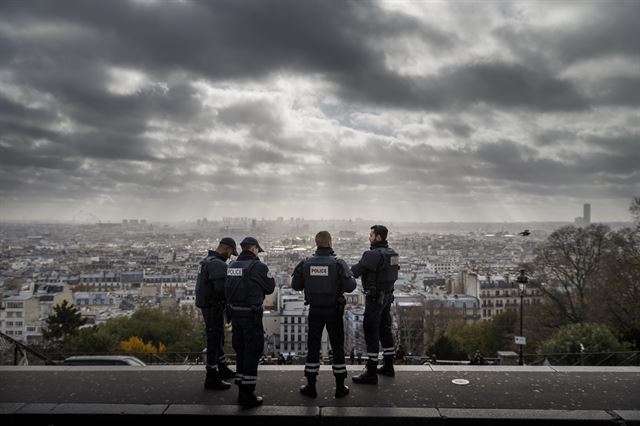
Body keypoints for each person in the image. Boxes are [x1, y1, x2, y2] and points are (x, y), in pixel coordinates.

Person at [292, 231, 357, 399]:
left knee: (313, 347)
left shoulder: (306, 263)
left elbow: (295, 285)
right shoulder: (338, 263)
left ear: (316, 243)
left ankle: (311, 386)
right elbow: (351, 286)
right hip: (333, 310)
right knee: (337, 347)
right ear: (330, 242)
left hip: (315, 310)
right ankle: (340, 387)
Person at [225, 236, 275, 408]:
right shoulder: (258, 267)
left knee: (240, 351)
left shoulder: (231, 266)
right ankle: (248, 393)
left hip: (235, 314)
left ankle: (240, 386)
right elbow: (270, 287)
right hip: (251, 315)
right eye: (257, 250)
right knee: (252, 352)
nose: (258, 253)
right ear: (253, 248)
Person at [351, 225, 400, 385]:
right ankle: (388, 365)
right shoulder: (392, 253)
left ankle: (371, 371)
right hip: (387, 296)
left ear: (378, 237)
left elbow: (355, 272)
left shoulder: (372, 255)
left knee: (371, 331)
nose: (369, 237)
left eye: (371, 235)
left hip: (374, 298)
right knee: (385, 330)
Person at [195, 237, 238, 391]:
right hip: (214, 306)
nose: (231, 256)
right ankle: (211, 377)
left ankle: (222, 367)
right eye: (232, 252)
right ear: (227, 248)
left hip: (207, 305)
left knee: (217, 337)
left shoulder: (206, 261)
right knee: (214, 340)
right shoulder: (218, 264)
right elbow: (221, 290)